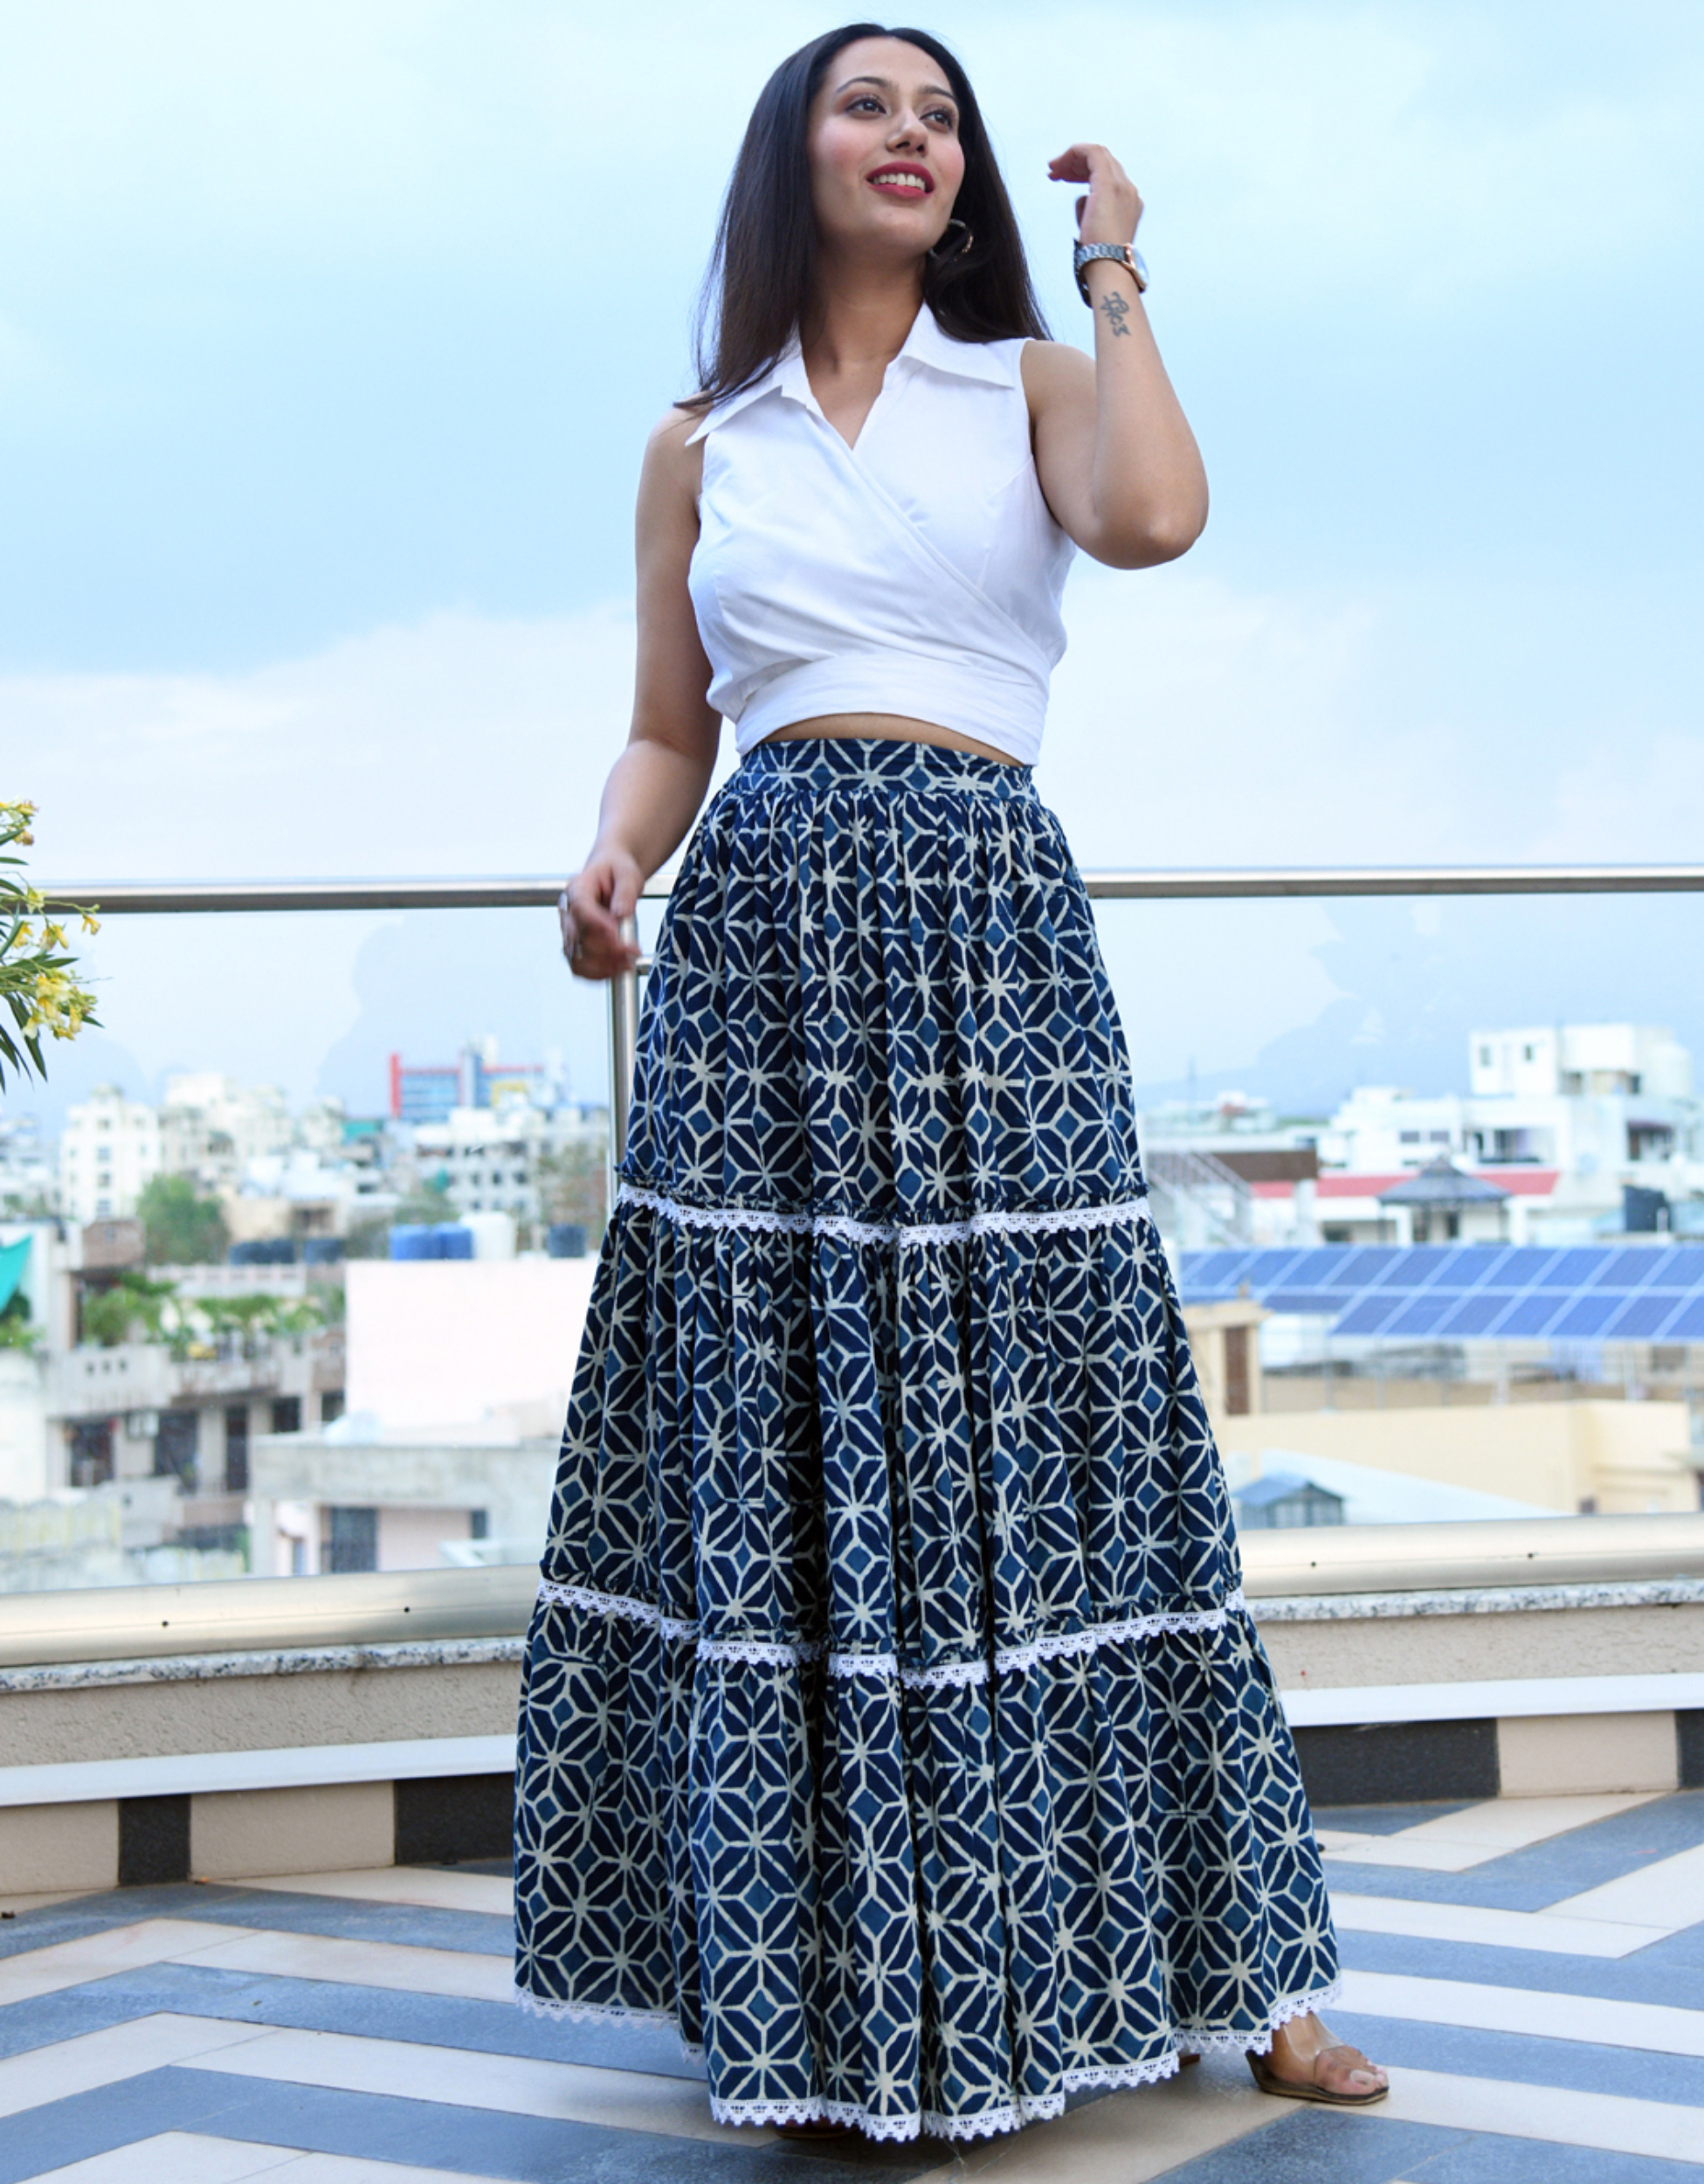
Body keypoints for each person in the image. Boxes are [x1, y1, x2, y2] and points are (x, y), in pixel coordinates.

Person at [514, 20, 1388, 2145]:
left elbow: (1156, 520)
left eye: (939, 115)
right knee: (786, 1457)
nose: (910, 136)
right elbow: (670, 721)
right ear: (787, 153)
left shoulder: (1028, 377)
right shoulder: (694, 441)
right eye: (866, 104)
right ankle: (825, 1989)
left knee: (1074, 1428)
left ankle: (1241, 1962)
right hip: (757, 965)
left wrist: (1111, 263)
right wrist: (610, 844)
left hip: (983, 933)